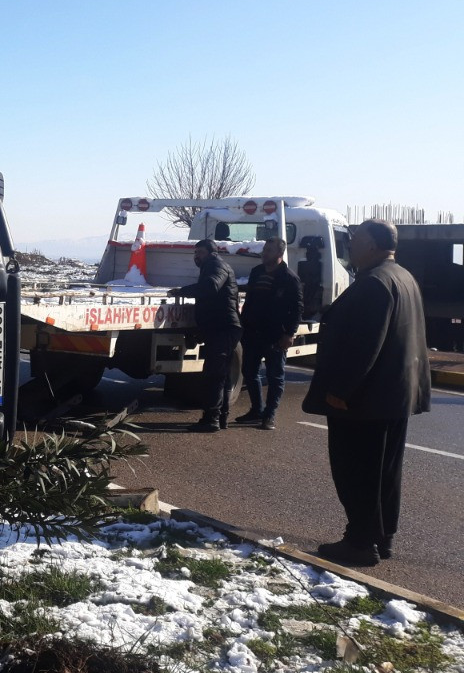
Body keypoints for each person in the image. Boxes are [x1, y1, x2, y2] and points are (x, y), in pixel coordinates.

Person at [302, 219, 430, 566]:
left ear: (372, 245)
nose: (351, 245)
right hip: (393, 396)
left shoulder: (374, 283)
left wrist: (340, 390)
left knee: (357, 473)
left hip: (363, 400)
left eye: (356, 239)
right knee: (385, 473)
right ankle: (381, 537)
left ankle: (359, 543)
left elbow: (364, 346)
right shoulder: (402, 277)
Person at [168, 239, 242, 432]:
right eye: (195, 253)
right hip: (220, 327)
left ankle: (212, 420)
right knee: (221, 375)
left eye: (199, 252)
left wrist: (182, 291)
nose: (196, 256)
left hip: (223, 328)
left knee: (214, 374)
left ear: (211, 252)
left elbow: (210, 287)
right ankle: (220, 418)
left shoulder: (217, 266)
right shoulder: (212, 265)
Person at [235, 236, 302, 430]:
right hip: (253, 333)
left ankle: (269, 415)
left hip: (275, 335)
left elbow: (297, 309)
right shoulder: (256, 272)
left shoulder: (289, 278)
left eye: (270, 250)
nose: (265, 253)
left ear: (280, 254)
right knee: (249, 371)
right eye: (265, 249)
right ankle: (257, 410)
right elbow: (250, 301)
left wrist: (289, 334)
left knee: (275, 377)